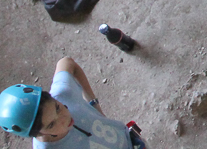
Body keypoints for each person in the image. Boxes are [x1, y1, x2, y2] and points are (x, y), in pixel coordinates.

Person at [0, 57, 144, 147]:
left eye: (57, 108)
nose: (64, 118)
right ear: (37, 134)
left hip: (130, 140)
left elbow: (67, 62)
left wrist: (94, 103)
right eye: (51, 124)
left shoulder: (63, 94)